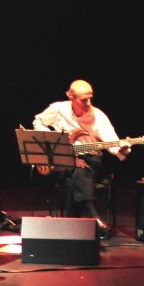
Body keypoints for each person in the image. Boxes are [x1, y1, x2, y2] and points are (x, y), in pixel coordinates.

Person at [32, 80, 131, 238]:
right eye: (84, 99)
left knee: (75, 175)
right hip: (64, 158)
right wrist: (53, 137)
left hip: (91, 162)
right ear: (71, 97)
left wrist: (122, 148)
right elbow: (38, 121)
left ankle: (73, 228)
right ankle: (92, 221)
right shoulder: (58, 109)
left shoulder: (98, 116)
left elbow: (112, 141)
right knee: (75, 170)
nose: (89, 103)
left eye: (90, 98)